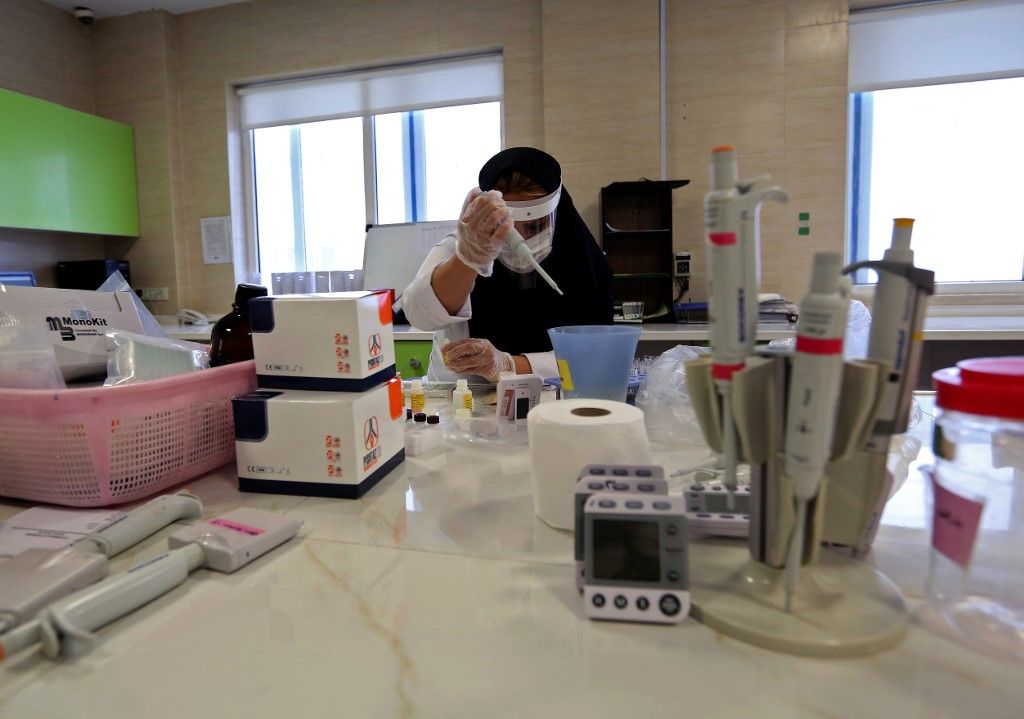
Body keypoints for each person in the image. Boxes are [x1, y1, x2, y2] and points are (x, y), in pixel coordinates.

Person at [402, 147, 614, 382]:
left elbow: (595, 354)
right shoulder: (462, 246)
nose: (519, 240)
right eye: (506, 226)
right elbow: (419, 315)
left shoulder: (586, 264)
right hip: (464, 397)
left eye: (534, 226)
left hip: (554, 397)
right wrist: (468, 259)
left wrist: (508, 365)